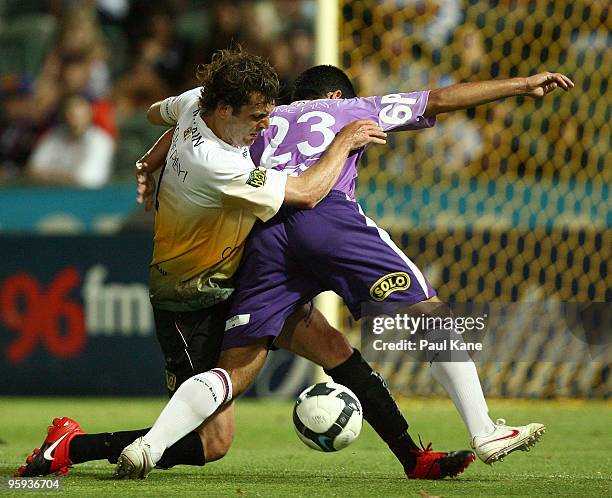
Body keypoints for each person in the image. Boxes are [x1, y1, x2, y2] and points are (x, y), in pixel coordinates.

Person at [16, 49, 469, 482]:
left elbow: (158, 111)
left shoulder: (197, 102)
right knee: (213, 443)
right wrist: (344, 141)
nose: (265, 125)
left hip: (242, 276)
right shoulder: (217, 164)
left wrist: (151, 157)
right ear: (225, 109)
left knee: (332, 347)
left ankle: (415, 458)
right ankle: (72, 447)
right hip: (190, 299)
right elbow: (310, 192)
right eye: (256, 117)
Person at [115, 65, 573, 479]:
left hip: (265, 241)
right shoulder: (349, 109)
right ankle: (483, 428)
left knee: (234, 371)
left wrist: (150, 161)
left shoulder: (253, 118)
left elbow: (170, 118)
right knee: (431, 313)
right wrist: (521, 85)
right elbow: (439, 98)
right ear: (336, 95)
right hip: (325, 217)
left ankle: (149, 448)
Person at [26, 94, 114, 188]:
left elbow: (85, 180)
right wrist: (68, 177)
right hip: (52, 196)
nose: (73, 119)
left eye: (78, 115)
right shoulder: (54, 135)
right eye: (70, 114)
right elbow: (31, 170)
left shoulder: (101, 141)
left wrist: (46, 175)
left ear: (90, 114)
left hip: (87, 199)